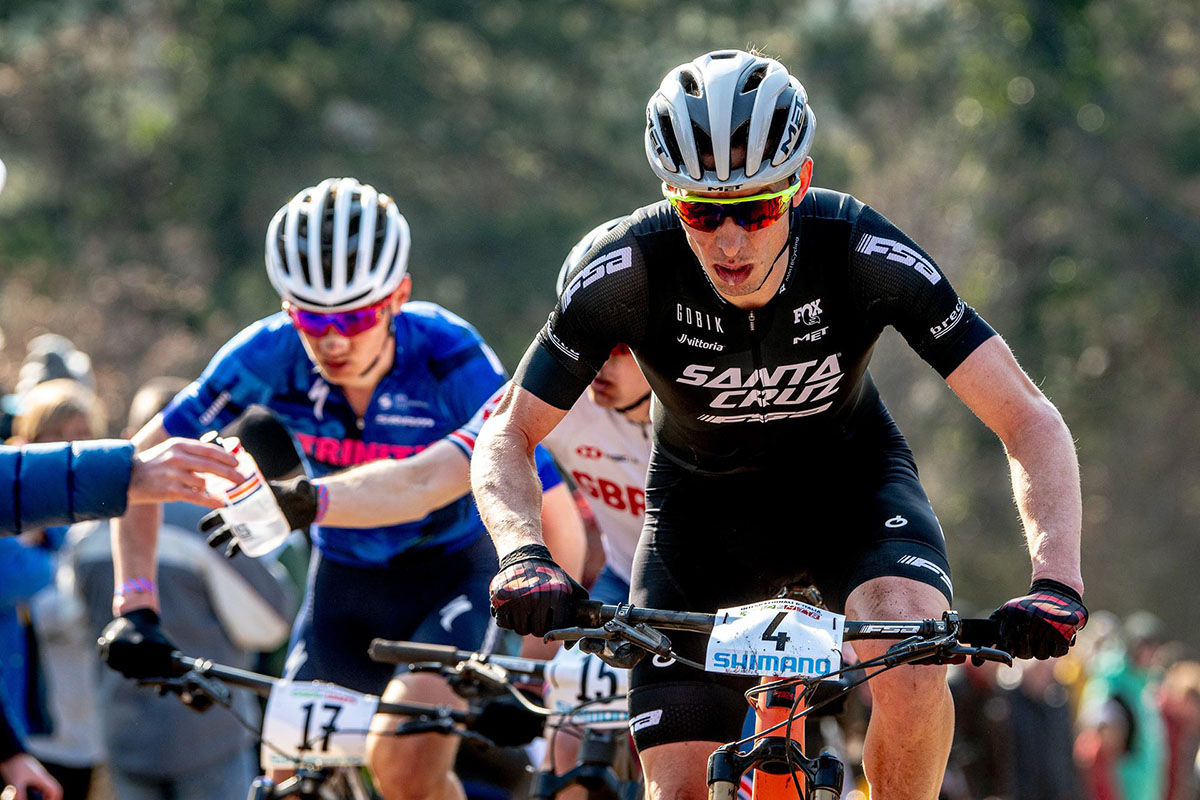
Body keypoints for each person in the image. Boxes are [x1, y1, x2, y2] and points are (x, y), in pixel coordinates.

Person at [471, 49, 1088, 800]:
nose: (730, 243)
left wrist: (1056, 577)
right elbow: (507, 432)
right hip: (700, 520)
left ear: (799, 182)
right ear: (671, 195)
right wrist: (521, 556)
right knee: (676, 786)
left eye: (757, 209)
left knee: (915, 670)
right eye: (702, 212)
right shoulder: (627, 267)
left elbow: (1026, 416)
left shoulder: (862, 250)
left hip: (854, 497)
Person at [100, 177, 584, 800]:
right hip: (345, 581)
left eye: (354, 317)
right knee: (284, 778)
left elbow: (462, 485)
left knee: (403, 765)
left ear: (398, 297)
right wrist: (135, 605)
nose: (332, 339)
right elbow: (138, 468)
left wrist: (539, 667)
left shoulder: (449, 354)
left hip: (449, 578)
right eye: (309, 317)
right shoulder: (269, 354)